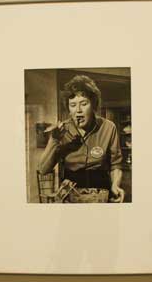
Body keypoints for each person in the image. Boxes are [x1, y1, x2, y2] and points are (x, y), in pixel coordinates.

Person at [38, 75, 125, 203]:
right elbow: (43, 169)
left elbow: (115, 165)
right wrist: (54, 140)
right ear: (68, 108)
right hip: (71, 195)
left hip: (101, 194)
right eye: (73, 105)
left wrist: (115, 185)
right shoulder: (62, 131)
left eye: (84, 104)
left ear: (94, 105)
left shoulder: (108, 127)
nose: (78, 110)